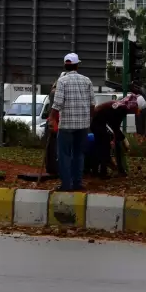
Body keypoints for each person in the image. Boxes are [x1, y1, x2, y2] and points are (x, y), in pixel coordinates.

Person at [51, 53, 93, 191]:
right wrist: (89, 120)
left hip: (66, 125)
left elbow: (57, 104)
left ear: (65, 65)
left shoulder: (62, 81)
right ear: (77, 65)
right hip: (83, 125)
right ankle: (78, 183)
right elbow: (92, 104)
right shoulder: (87, 80)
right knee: (79, 154)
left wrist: (52, 119)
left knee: (64, 155)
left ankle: (66, 185)